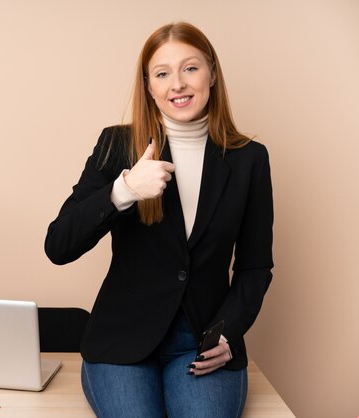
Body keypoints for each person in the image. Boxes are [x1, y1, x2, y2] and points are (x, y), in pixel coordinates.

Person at [45, 22, 273, 418]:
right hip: (121, 340)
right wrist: (125, 190)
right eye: (163, 73)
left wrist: (229, 332)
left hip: (201, 340)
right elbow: (58, 245)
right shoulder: (117, 146)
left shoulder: (249, 159)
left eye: (191, 68)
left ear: (213, 73)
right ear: (149, 86)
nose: (178, 85)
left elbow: (255, 266)